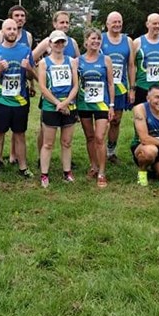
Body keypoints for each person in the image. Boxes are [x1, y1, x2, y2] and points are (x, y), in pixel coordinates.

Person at [0, 18, 35, 179]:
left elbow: (31, 75)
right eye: (9, 29)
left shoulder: (25, 50)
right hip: (1, 100)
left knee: (20, 134)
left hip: (20, 101)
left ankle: (23, 167)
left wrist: (28, 69)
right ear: (2, 32)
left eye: (14, 29)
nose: (12, 32)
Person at [31, 11, 81, 163]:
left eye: (67, 22)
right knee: (45, 128)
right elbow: (30, 60)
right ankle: (42, 157)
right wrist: (40, 79)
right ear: (54, 24)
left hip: (69, 95)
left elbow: (79, 64)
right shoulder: (48, 41)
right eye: (61, 22)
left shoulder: (72, 43)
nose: (65, 25)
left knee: (67, 128)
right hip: (50, 95)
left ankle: (67, 160)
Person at [37, 30, 79, 187]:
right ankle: (44, 174)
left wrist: (66, 102)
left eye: (62, 42)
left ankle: (67, 172)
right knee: (48, 143)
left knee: (67, 142)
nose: (59, 45)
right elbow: (42, 87)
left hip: (68, 106)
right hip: (51, 106)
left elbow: (76, 85)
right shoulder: (44, 63)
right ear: (50, 44)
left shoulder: (71, 61)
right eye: (56, 42)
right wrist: (57, 103)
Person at [76, 27, 115, 188]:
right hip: (84, 103)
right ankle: (93, 165)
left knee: (100, 137)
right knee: (90, 137)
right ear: (85, 42)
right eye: (93, 39)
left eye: (98, 39)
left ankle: (102, 172)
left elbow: (111, 83)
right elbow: (75, 84)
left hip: (101, 103)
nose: (96, 42)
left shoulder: (106, 60)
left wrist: (111, 105)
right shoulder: (78, 61)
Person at [101, 11, 136, 163]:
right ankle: (98, 150)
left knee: (116, 120)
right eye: (113, 22)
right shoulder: (100, 39)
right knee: (102, 121)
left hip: (120, 88)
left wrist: (132, 88)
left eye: (119, 22)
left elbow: (131, 65)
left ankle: (111, 152)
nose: (117, 25)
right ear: (107, 24)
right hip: (102, 88)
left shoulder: (128, 41)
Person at [132, 13, 159, 105]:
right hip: (142, 87)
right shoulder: (137, 42)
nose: (157, 26)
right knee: (141, 116)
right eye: (154, 23)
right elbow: (132, 66)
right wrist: (132, 88)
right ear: (147, 24)